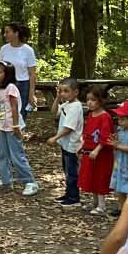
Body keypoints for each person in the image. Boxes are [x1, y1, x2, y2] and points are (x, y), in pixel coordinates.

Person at [0, 62, 35, 195]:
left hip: (13, 126)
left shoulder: (11, 87)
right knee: (2, 155)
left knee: (17, 155)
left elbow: (14, 107)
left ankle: (30, 182)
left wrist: (16, 126)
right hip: (3, 125)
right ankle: (6, 181)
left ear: (7, 75)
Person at [49, 78, 85, 208]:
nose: (63, 93)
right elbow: (54, 112)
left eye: (66, 91)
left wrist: (55, 137)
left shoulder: (76, 107)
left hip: (72, 145)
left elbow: (69, 127)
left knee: (72, 172)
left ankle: (74, 197)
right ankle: (68, 193)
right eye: (61, 91)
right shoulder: (67, 104)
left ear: (75, 92)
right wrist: (58, 98)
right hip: (65, 144)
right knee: (67, 170)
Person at [78, 86, 115, 214]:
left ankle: (102, 205)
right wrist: (82, 146)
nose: (89, 103)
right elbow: (87, 133)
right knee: (91, 177)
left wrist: (97, 150)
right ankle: (94, 202)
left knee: (100, 177)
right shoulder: (90, 115)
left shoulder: (105, 117)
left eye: (93, 100)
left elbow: (106, 136)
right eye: (88, 100)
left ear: (100, 101)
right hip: (89, 151)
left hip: (101, 154)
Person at [0, 22, 40, 120]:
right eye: (4, 32)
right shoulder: (3, 49)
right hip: (4, 85)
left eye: (7, 32)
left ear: (16, 33)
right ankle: (1, 134)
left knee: (19, 115)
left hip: (22, 86)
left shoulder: (28, 50)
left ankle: (18, 134)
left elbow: (32, 74)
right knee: (2, 114)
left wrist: (31, 94)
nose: (5, 35)